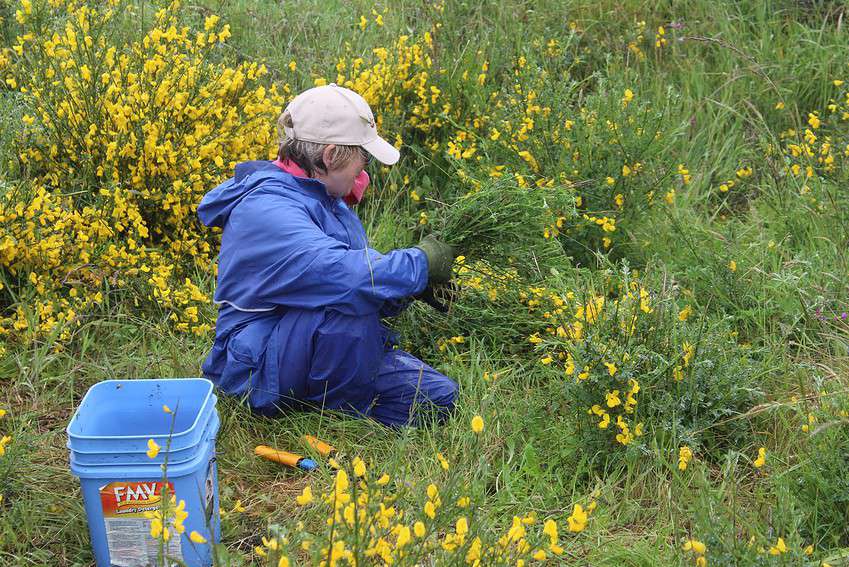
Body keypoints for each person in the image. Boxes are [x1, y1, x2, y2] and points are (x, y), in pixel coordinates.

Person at [197, 83, 458, 427]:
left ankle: (338, 403)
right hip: (256, 364)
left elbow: (353, 273)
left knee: (438, 400)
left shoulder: (324, 199)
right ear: (332, 155)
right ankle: (337, 418)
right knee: (352, 307)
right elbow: (345, 276)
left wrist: (411, 289)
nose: (363, 171)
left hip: (304, 342)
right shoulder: (268, 209)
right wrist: (420, 264)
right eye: (362, 158)